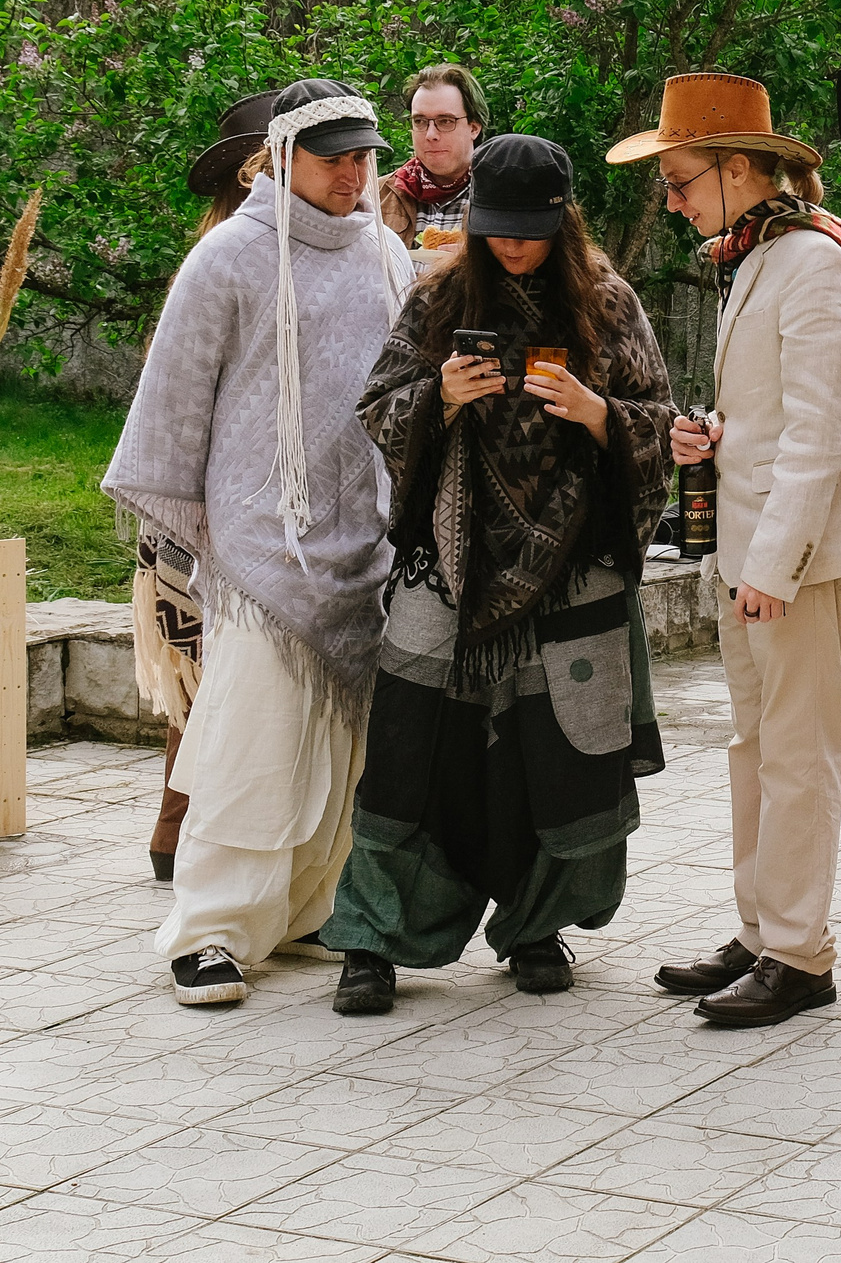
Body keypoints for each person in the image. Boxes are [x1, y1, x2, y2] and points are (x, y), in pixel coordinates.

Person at [324, 136, 678, 1013]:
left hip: (573, 568)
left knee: (562, 750)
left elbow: (660, 423)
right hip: (449, 559)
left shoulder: (607, 302)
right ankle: (370, 937)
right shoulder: (439, 296)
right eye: (496, 230)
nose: (510, 247)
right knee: (407, 748)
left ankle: (534, 924)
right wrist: (441, 393)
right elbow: (377, 407)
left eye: (527, 232)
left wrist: (598, 414)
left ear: (562, 221)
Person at [102, 78, 413, 1006]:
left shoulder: (388, 253)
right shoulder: (228, 258)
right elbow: (173, 407)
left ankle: (309, 907)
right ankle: (208, 932)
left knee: (346, 748)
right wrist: (206, 542)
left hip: (367, 534)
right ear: (281, 158)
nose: (355, 172)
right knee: (254, 743)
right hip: (258, 543)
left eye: (365, 154)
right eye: (335, 156)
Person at [611, 73, 841, 1029]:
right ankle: (765, 929)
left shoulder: (808, 259)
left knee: (798, 752)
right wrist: (712, 435)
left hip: (786, 559)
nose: (672, 199)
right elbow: (770, 416)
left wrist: (772, 564)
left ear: (736, 170)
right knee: (755, 745)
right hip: (744, 549)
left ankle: (801, 951)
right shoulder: (753, 255)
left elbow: (819, 427)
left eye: (679, 180)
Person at [135, 89, 281, 883]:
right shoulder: (232, 260)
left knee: (207, 669)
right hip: (213, 500)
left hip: (202, 496)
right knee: (216, 667)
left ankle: (177, 824)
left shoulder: (225, 252)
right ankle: (189, 827)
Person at [379, 63, 488, 253]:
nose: (430, 134)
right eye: (420, 121)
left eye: (445, 121)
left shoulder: (499, 193)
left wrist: (477, 262)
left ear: (474, 128)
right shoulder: (378, 195)